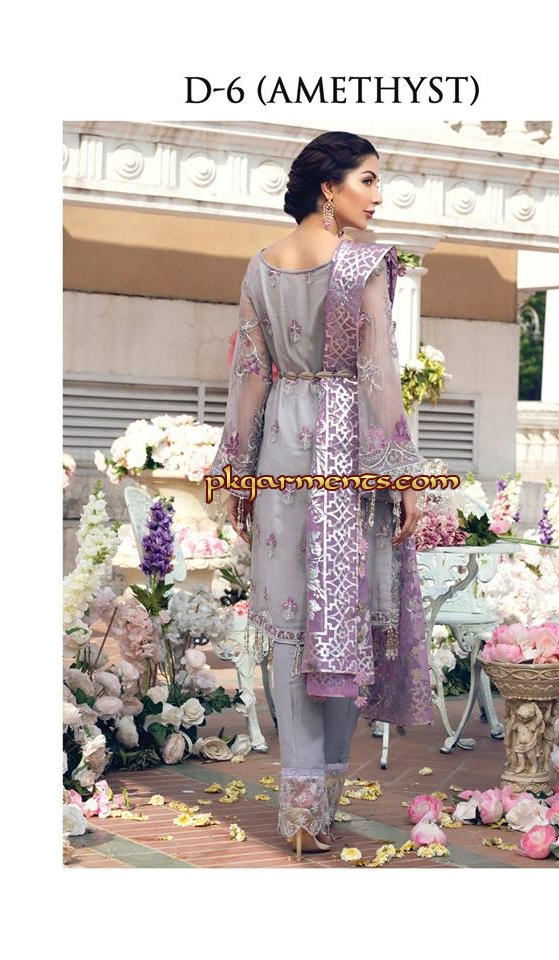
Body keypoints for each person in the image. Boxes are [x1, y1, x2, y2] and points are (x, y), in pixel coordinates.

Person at [210, 131, 434, 861]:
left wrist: (237, 471)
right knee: (342, 619)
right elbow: (378, 373)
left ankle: (300, 809)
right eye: (367, 180)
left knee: (291, 622)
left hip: (282, 447)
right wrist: (404, 476)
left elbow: (250, 374)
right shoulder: (364, 263)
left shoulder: (261, 264)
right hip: (347, 454)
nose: (378, 196)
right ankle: (321, 802)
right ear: (328, 188)